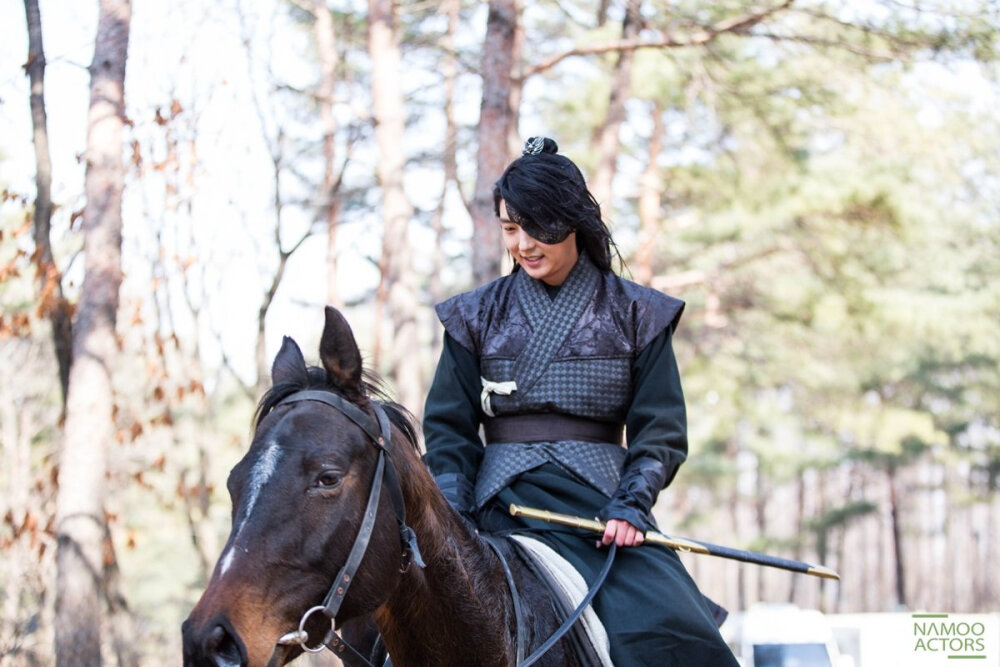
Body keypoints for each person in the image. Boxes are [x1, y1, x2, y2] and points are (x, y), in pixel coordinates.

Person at [422, 136, 738, 666]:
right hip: (494, 506)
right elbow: (448, 428)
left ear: (571, 220)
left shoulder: (638, 313)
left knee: (676, 632)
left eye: (535, 226)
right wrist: (455, 512)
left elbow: (660, 429)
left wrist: (632, 505)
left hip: (602, 511)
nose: (522, 244)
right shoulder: (473, 316)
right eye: (509, 228)